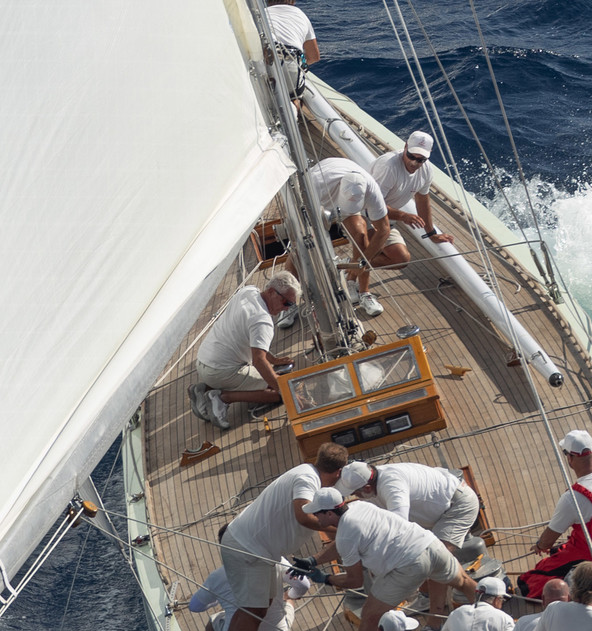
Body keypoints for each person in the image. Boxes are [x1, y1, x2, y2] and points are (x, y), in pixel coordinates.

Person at [192, 443, 348, 631]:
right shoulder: (307, 479)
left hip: (254, 549)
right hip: (249, 550)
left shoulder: (305, 472)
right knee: (252, 613)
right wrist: (344, 529)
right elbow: (302, 515)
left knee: (255, 609)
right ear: (339, 472)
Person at [295, 488, 479, 631]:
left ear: (329, 514)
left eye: (317, 513)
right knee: (464, 582)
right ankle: (490, 620)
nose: (315, 518)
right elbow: (344, 542)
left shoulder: (345, 536)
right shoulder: (359, 506)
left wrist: (325, 579)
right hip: (430, 544)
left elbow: (355, 581)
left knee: (370, 616)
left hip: (410, 565)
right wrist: (313, 560)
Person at [518, 429, 592, 598]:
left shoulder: (572, 498)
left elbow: (547, 541)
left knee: (528, 581)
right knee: (557, 551)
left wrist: (539, 546)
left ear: (570, 458)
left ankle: (584, 583)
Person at [191, 272, 302, 431]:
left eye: (291, 305)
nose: (287, 308)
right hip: (220, 372)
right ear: (272, 292)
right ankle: (222, 398)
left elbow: (250, 340)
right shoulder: (263, 322)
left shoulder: (248, 291)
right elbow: (258, 360)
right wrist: (285, 391)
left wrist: (274, 360)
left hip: (203, 361)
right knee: (278, 391)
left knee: (273, 377)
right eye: (287, 303)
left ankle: (204, 389)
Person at [181, 556, 310, 631]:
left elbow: (194, 607)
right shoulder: (275, 559)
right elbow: (303, 585)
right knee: (288, 599)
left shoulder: (218, 576)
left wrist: (215, 600)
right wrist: (289, 595)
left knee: (214, 621)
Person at [310, 156, 406, 318]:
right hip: (318, 202)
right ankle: (289, 302)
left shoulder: (371, 189)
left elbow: (383, 230)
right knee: (302, 244)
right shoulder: (315, 184)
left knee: (360, 235)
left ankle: (363, 292)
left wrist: (362, 262)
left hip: (343, 203)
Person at [334, 460, 481, 558]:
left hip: (457, 506)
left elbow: (399, 527)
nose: (356, 496)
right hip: (436, 510)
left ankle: (441, 595)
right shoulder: (372, 481)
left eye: (355, 492)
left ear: (367, 487)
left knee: (435, 558)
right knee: (424, 560)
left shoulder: (393, 486)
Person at [369, 131, 454, 247]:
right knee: (366, 246)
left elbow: (422, 200)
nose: (414, 163)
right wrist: (402, 216)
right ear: (405, 146)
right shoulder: (388, 167)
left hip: (385, 219)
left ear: (429, 154)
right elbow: (372, 204)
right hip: (363, 213)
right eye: (411, 156)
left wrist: (431, 234)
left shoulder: (427, 169)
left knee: (401, 256)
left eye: (421, 160)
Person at [264, 0, 319, 101]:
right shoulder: (301, 16)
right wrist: (302, 65)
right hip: (292, 65)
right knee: (294, 100)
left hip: (266, 63)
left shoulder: (262, 14)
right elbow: (314, 57)